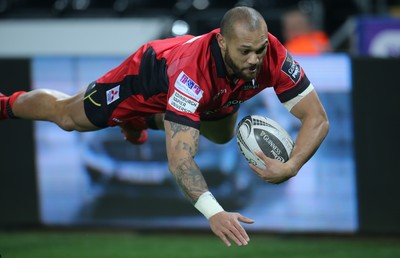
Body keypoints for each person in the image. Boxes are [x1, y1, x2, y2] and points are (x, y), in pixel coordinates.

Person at [0, 6, 329, 247]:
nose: (255, 60)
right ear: (222, 43)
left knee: (223, 135)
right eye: (245, 52)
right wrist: (214, 211)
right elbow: (180, 160)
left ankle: (146, 121)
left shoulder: (272, 53)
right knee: (67, 116)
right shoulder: (192, 76)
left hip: (211, 99)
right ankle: (5, 104)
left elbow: (317, 118)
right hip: (144, 80)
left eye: (259, 50)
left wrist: (292, 165)